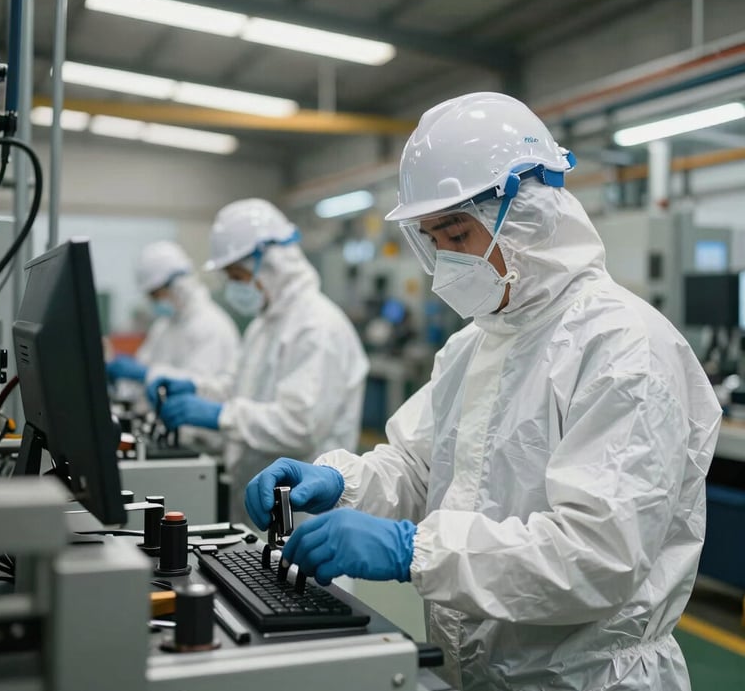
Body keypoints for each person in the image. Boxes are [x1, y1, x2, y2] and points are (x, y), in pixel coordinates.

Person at [245, 93, 722, 691]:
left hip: (587, 679)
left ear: (529, 212)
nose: (445, 258)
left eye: (457, 232)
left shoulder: (624, 346)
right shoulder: (474, 345)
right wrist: (342, 485)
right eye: (432, 239)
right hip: (473, 671)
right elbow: (421, 468)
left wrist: (410, 548)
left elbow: (598, 556)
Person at [149, 199, 369, 521]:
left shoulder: (317, 326)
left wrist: (221, 416)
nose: (236, 286)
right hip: (259, 505)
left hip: (304, 514)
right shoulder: (263, 325)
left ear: (272, 263)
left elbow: (300, 426)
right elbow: (240, 391)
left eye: (238, 275)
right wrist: (197, 389)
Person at [106, 240, 242, 395]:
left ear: (178, 286)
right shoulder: (163, 325)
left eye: (157, 293)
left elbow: (199, 385)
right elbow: (142, 369)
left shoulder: (212, 325)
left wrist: (146, 374)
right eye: (151, 296)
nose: (155, 301)